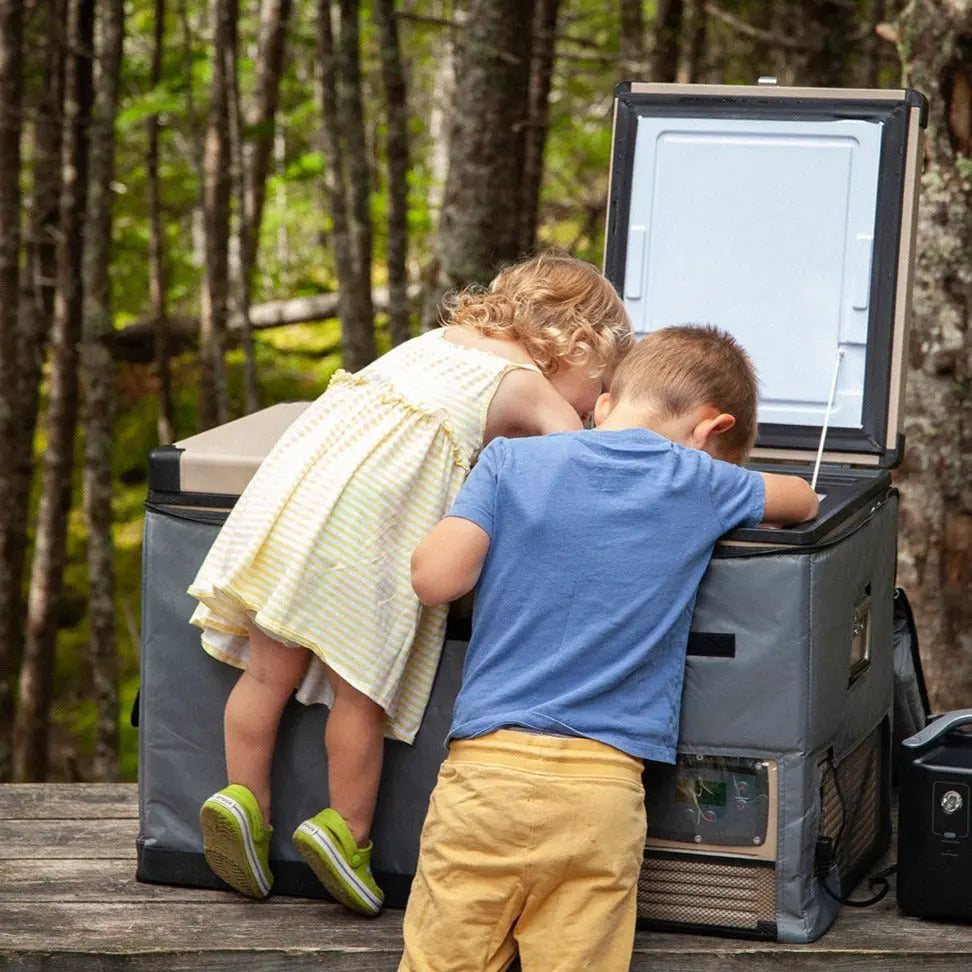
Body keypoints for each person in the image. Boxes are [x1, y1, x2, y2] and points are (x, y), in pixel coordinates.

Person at [187, 251, 634, 914]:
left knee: (265, 676)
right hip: (366, 540)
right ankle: (349, 835)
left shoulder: (435, 342)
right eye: (599, 384)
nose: (593, 403)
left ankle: (241, 801)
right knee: (360, 697)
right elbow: (576, 465)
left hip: (293, 509)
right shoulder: (530, 387)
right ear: (579, 345)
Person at [400, 324, 819, 971]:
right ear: (711, 431)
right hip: (602, 791)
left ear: (599, 407)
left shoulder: (512, 462)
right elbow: (802, 498)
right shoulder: (699, 481)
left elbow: (436, 578)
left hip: (483, 777)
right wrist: (718, 476)